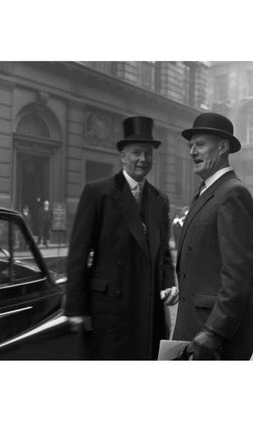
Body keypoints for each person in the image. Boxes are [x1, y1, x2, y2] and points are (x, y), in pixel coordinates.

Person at [65, 116, 178, 360]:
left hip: (148, 306)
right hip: (109, 307)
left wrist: (169, 282)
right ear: (123, 156)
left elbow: (164, 254)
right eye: (137, 153)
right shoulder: (98, 192)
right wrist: (76, 307)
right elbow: (78, 253)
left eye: (148, 154)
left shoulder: (159, 199)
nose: (143, 160)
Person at [172, 112, 253, 360]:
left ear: (222, 147)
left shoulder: (232, 193)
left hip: (215, 335)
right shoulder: (208, 191)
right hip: (196, 324)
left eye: (199, 145)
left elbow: (239, 273)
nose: (192, 152)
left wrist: (214, 331)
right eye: (190, 146)